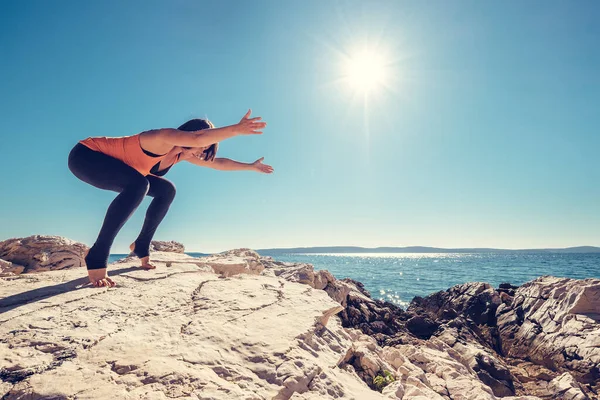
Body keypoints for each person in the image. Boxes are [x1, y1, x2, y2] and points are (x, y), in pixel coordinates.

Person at [68, 110, 272, 288]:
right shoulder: (161, 137)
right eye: (203, 146)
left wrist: (250, 166)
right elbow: (196, 140)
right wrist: (237, 129)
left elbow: (218, 163)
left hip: (119, 168)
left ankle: (140, 245)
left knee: (166, 190)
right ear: (190, 135)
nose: (202, 152)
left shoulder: (181, 154)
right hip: (86, 156)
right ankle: (97, 254)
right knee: (139, 184)